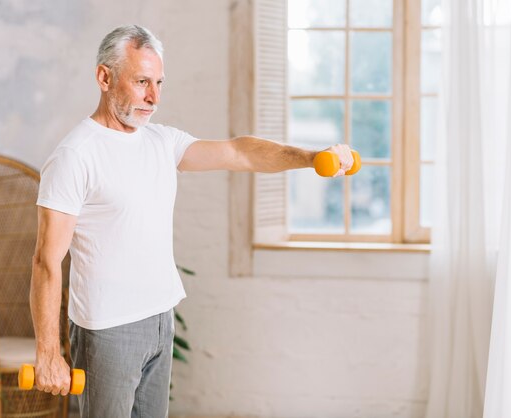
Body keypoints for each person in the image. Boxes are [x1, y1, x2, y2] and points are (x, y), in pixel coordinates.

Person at [29, 24, 354, 418]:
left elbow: (241, 153)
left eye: (160, 83)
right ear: (104, 77)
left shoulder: (161, 142)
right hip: (107, 330)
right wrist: (48, 352)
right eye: (142, 82)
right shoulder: (75, 156)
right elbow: (46, 262)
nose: (154, 97)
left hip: (160, 320)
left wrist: (308, 157)